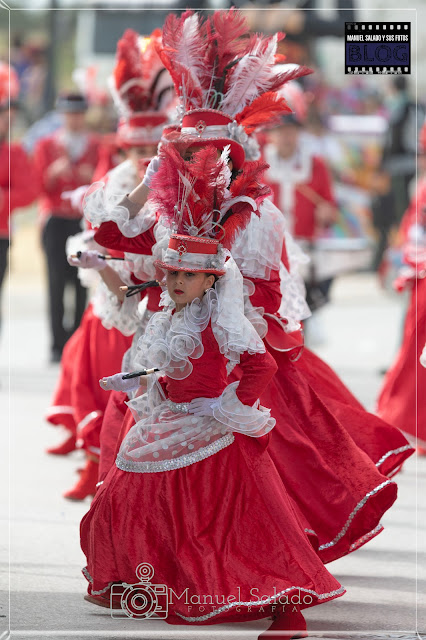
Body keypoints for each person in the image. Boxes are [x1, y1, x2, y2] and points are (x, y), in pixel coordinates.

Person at [81, 144, 346, 639]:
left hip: (213, 429)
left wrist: (229, 406)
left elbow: (260, 365)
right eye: (173, 273)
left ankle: (284, 608)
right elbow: (169, 366)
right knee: (123, 500)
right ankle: (159, 583)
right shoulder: (170, 312)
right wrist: (146, 383)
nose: (177, 282)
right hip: (169, 418)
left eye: (189, 275)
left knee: (235, 528)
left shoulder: (222, 319)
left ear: (211, 281)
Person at [45, 29, 175, 501]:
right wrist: (94, 262)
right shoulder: (112, 184)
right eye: (136, 150)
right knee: (95, 386)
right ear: (124, 148)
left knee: (143, 402)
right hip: (111, 303)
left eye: (151, 150)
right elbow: (90, 236)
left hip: (155, 308)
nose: (143, 158)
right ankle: (92, 467)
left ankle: (129, 484)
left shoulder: (174, 188)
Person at [33, 92, 100, 362]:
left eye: (78, 113)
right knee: (56, 281)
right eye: (70, 114)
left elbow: (106, 181)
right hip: (56, 218)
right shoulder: (47, 145)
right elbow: (36, 186)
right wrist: (52, 172)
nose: (74, 119)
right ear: (62, 115)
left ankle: (77, 341)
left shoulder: (95, 146)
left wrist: (92, 177)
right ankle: (57, 343)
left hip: (82, 220)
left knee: (83, 280)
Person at [0, 63, 39, 330]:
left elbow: (30, 191)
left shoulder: (14, 152)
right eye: (5, 115)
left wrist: (4, 198)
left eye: (11, 116)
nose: (9, 121)